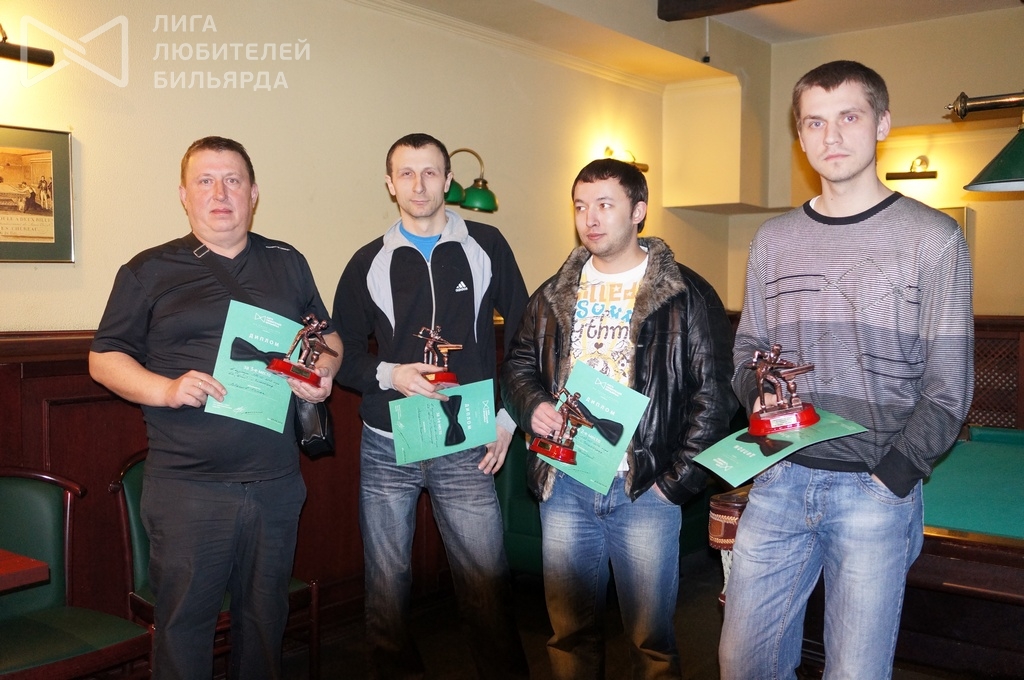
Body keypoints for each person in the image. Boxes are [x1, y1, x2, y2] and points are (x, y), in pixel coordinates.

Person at [719, 60, 974, 680]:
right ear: (800, 136)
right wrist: (760, 395)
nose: (830, 136)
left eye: (849, 117)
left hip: (873, 491)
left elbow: (950, 388)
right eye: (815, 122)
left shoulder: (934, 237)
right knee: (741, 664)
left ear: (882, 124)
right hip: (778, 479)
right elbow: (748, 348)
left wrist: (892, 478)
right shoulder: (773, 238)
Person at [89, 136, 342, 680]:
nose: (220, 193)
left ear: (254, 193)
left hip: (276, 482)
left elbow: (325, 338)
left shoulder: (287, 262)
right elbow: (103, 358)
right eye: (205, 181)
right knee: (184, 631)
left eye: (233, 181)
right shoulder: (147, 270)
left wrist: (321, 372)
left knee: (265, 627)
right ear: (184, 195)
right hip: (189, 488)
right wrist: (165, 389)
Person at [501, 158, 738, 679]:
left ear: (638, 211)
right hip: (564, 481)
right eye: (581, 206)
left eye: (605, 205)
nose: (590, 218)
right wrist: (533, 404)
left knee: (651, 644)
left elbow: (715, 398)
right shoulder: (553, 293)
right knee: (569, 637)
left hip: (645, 490)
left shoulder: (687, 295)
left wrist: (674, 485)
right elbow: (517, 363)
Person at [333, 132, 530, 679]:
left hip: (467, 442)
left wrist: (509, 417)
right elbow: (339, 354)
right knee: (386, 589)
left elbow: (527, 336)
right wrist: (390, 373)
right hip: (387, 445)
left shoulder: (487, 246)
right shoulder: (367, 262)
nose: (418, 185)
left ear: (448, 181)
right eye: (406, 173)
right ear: (390, 184)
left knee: (486, 586)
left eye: (429, 173)